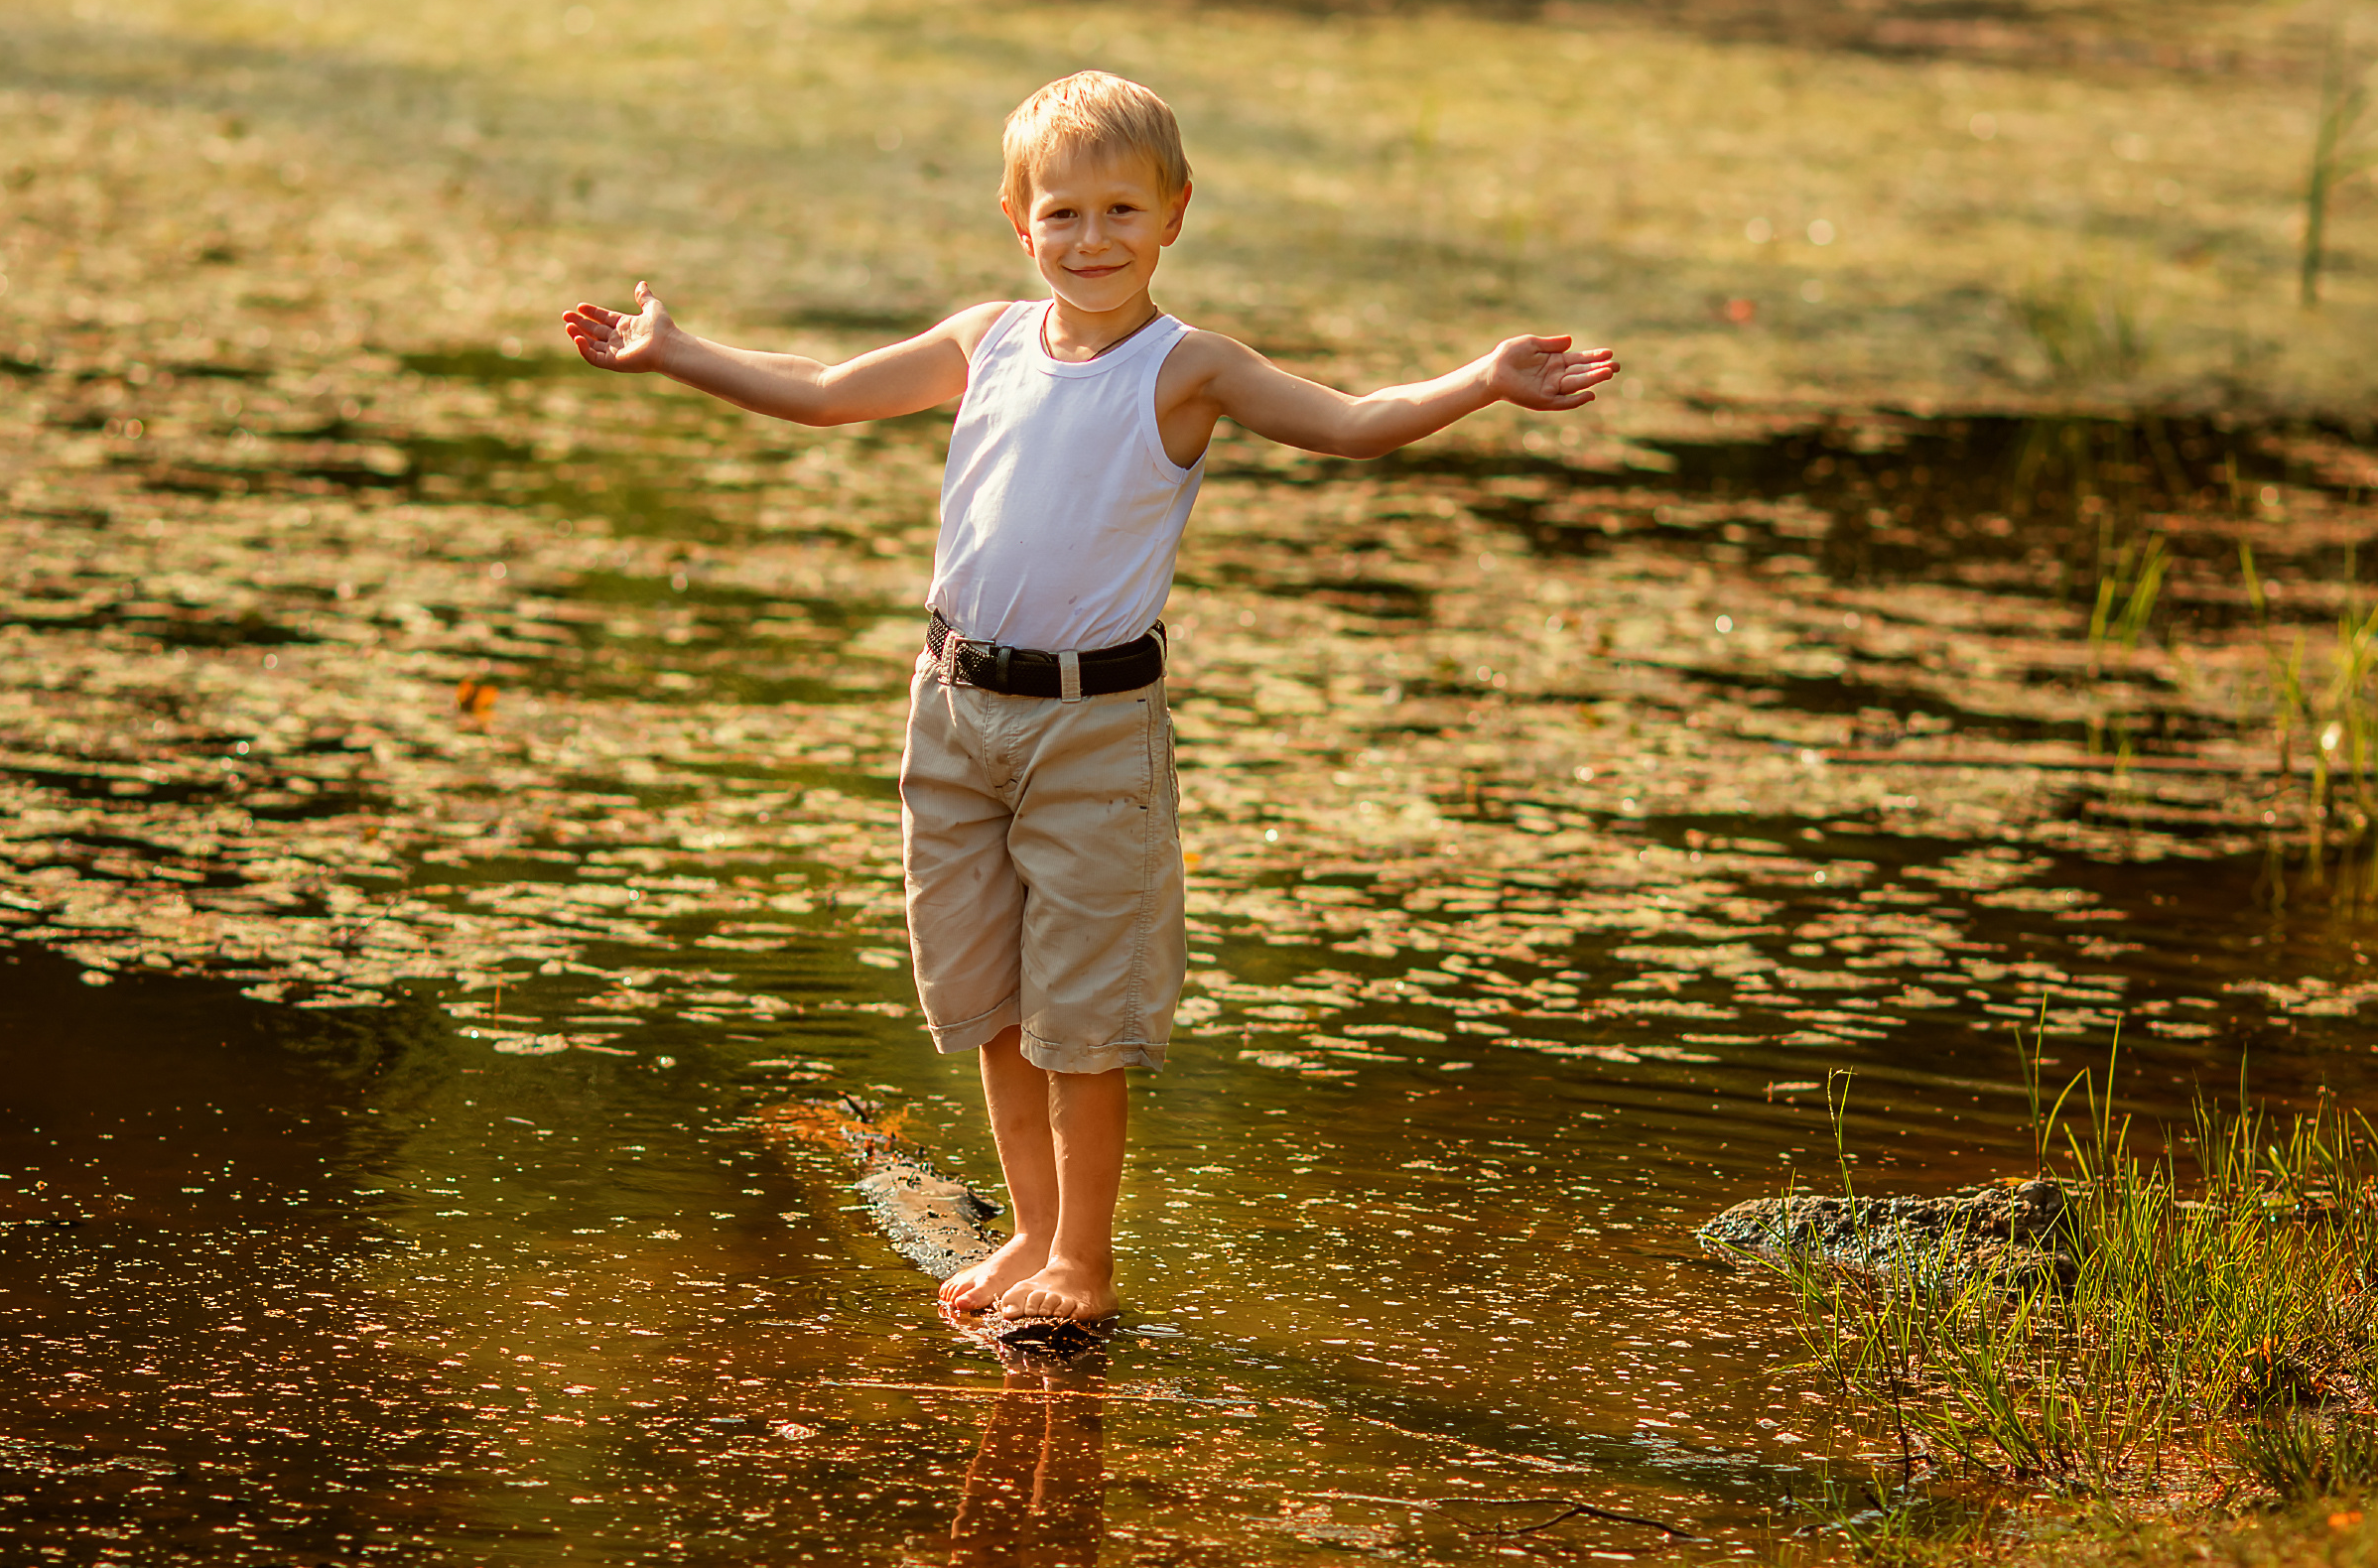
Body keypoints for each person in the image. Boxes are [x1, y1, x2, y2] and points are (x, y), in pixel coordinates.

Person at [562, 70, 1617, 1324]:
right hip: (953, 712)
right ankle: (1029, 1235)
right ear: (1019, 223)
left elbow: (1350, 423)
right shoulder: (985, 339)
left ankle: (1083, 1265)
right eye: (1061, 215)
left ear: (1174, 213)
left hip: (1091, 732)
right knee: (993, 1002)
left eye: (1122, 210)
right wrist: (676, 353)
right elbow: (825, 389)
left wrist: (1483, 379)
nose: (1092, 240)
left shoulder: (1189, 368)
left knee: (1081, 1015)